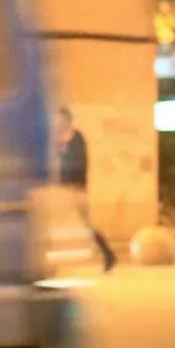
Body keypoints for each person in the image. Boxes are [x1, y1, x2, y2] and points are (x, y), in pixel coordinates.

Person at [55, 105, 116, 273]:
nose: (57, 123)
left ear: (67, 120)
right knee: (51, 224)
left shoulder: (77, 139)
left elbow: (79, 163)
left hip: (76, 188)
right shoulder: (56, 140)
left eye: (60, 120)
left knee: (86, 225)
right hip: (60, 189)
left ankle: (108, 254)